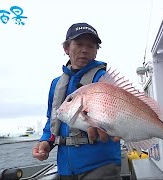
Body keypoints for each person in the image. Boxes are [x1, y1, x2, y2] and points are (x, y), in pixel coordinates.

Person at [32, 22, 122, 180]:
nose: (84, 50)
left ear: (96, 52)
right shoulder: (56, 84)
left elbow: (119, 114)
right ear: (66, 48)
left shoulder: (103, 80)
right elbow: (52, 121)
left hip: (101, 165)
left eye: (91, 46)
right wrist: (46, 142)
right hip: (65, 169)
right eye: (79, 44)